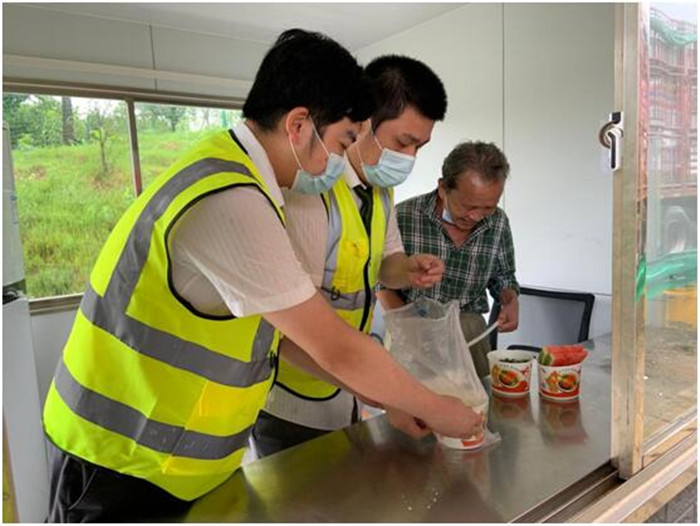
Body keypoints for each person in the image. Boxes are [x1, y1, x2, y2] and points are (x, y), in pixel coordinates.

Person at [42, 29, 482, 523]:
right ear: (298, 125)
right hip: (120, 462)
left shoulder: (243, 180)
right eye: (343, 141)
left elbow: (285, 335)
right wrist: (437, 408)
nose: (340, 162)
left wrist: (384, 398)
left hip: (174, 461)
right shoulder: (230, 200)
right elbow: (336, 346)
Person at [253, 55, 451, 457]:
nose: (410, 157)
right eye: (403, 142)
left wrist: (408, 269)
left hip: (350, 386)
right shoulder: (310, 190)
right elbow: (290, 325)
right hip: (294, 393)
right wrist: (398, 397)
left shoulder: (381, 190)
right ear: (362, 123)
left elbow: (385, 265)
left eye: (420, 146)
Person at [378, 141, 520, 379]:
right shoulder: (404, 217)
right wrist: (409, 327)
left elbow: (504, 277)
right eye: (467, 206)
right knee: (409, 400)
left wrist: (510, 300)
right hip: (412, 328)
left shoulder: (498, 222)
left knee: (476, 399)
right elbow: (379, 282)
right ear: (443, 188)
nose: (476, 216)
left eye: (488, 208)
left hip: (469, 331)